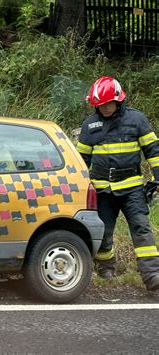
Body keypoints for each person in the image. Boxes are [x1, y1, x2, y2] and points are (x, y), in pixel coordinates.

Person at [76, 76, 159, 291]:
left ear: (118, 100)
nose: (103, 108)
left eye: (106, 104)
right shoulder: (89, 125)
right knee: (104, 232)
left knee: (141, 229)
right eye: (99, 105)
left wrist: (157, 178)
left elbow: (153, 151)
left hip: (132, 188)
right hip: (102, 189)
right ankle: (105, 267)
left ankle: (152, 275)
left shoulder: (137, 120)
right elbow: (81, 161)